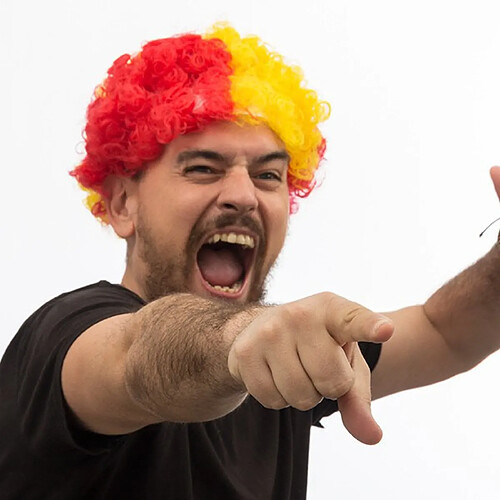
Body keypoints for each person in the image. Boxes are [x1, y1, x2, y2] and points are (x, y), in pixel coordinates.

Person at [1, 23, 499, 500]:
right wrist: (239, 340)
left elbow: (444, 333)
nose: (242, 195)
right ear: (122, 205)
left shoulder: (279, 352)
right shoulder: (63, 338)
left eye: (268, 175)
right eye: (202, 168)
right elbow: (135, 356)